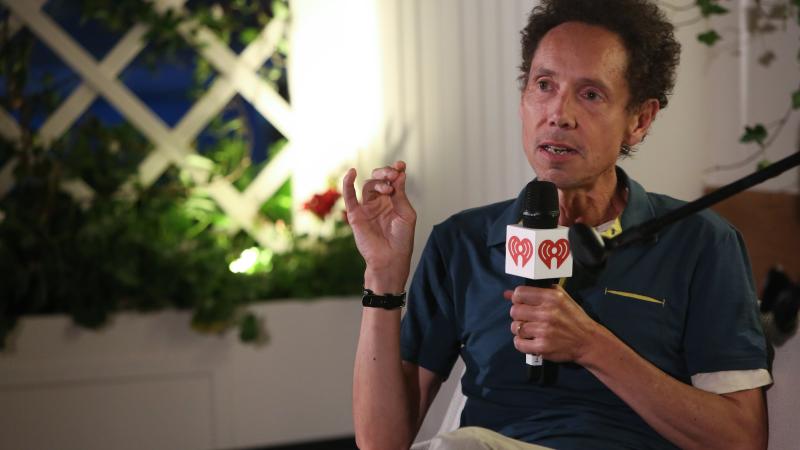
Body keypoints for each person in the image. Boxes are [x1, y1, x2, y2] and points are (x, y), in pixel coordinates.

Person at [342, 0, 772, 448]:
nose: (558, 114)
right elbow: (381, 443)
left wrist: (591, 345)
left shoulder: (701, 242)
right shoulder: (462, 242)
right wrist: (383, 277)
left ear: (639, 120)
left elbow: (742, 439)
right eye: (543, 85)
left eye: (590, 94)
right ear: (523, 100)